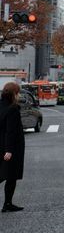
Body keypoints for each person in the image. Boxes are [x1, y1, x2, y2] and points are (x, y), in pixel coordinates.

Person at [0, 82, 25, 212]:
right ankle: (7, 203)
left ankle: (8, 204)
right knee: (9, 175)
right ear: (14, 94)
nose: (19, 95)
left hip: (2, 144)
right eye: (18, 93)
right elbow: (11, 131)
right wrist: (9, 150)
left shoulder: (1, 106)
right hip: (12, 147)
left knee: (7, 175)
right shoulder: (13, 109)